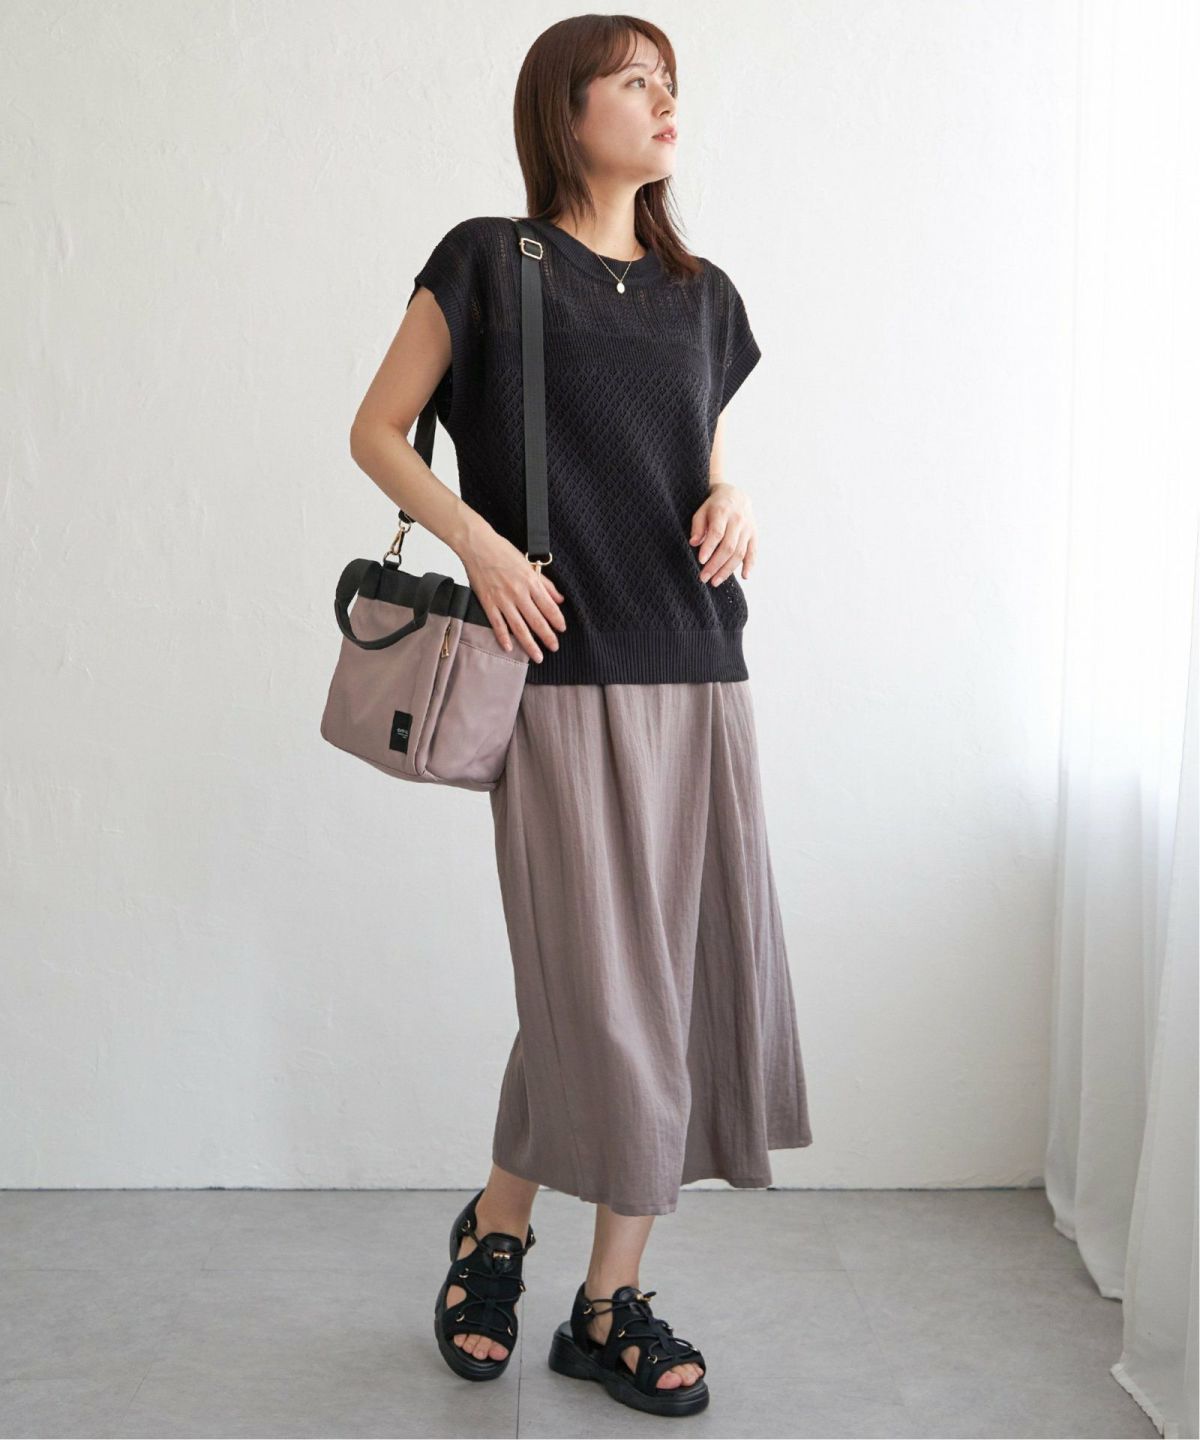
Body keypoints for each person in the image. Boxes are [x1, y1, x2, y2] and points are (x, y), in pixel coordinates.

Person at [348, 14, 812, 1419]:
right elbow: (376, 431)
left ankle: (599, 1300)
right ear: (566, 110)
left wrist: (738, 500)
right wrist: (484, 548)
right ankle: (505, 1233)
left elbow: (705, 463)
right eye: (635, 82)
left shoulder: (703, 296)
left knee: (663, 990)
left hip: (699, 664)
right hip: (556, 669)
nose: (666, 104)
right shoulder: (490, 261)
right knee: (594, 993)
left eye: (673, 85)